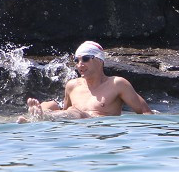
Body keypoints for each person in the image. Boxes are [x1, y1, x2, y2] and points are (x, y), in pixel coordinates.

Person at [19, 41, 154, 122]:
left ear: (100, 60)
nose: (79, 64)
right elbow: (65, 113)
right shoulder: (72, 85)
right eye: (76, 60)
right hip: (77, 133)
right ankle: (37, 117)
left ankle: (41, 117)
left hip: (98, 130)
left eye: (85, 59)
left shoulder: (117, 84)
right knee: (50, 104)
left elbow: (145, 112)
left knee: (77, 113)